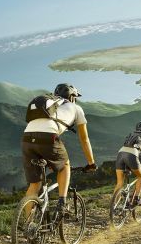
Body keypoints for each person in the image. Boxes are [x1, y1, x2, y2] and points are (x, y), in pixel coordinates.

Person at [21, 83, 97, 212]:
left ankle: (30, 224)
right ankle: (62, 202)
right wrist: (91, 163)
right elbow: (84, 139)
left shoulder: (49, 105)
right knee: (65, 165)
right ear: (72, 96)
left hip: (26, 139)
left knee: (34, 184)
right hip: (48, 137)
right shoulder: (76, 108)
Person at [113, 121, 141, 206]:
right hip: (132, 156)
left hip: (120, 154)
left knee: (119, 183)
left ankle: (115, 206)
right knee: (140, 176)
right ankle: (136, 199)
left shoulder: (131, 135)